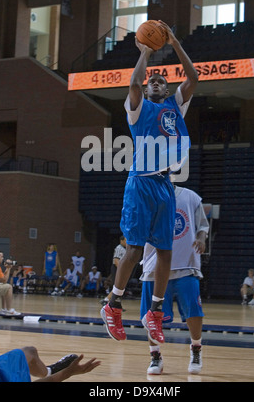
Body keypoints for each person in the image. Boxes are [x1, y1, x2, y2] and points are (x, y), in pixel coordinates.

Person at [101, 19, 198, 344]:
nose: (155, 81)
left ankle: (154, 312)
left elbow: (194, 77)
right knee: (135, 249)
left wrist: (175, 43)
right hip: (140, 182)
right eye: (151, 80)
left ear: (167, 90)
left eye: (160, 80)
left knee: (166, 251)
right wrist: (144, 52)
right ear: (146, 89)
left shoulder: (175, 107)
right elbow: (132, 83)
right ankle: (113, 304)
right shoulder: (137, 110)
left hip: (163, 185)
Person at [140, 184, 209, 375]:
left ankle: (196, 349)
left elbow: (202, 225)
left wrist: (202, 238)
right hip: (154, 266)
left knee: (193, 312)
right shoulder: (146, 195)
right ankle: (155, 356)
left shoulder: (191, 197)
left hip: (186, 264)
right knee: (152, 316)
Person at [0, 348, 101, 382]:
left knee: (30, 352)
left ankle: (49, 371)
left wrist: (68, 372)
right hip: (0, 376)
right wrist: (67, 372)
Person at [101, 236, 127, 306]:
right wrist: (122, 270)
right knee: (118, 286)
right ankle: (107, 300)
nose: (126, 242)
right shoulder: (119, 248)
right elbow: (116, 261)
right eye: (125, 240)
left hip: (120, 268)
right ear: (121, 241)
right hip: (117, 268)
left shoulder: (125, 249)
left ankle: (113, 302)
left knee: (120, 286)